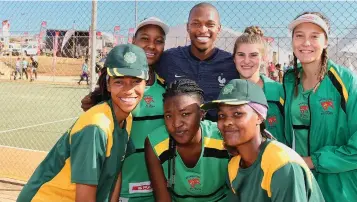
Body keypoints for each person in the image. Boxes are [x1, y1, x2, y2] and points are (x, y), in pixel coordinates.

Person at [17, 44, 148, 202]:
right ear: (108, 84)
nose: (128, 90)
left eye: (136, 81)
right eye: (119, 82)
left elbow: (115, 173)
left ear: (145, 84)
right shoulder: (96, 127)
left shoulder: (126, 118)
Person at [284, 12, 357, 202]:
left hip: (345, 190)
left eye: (314, 36)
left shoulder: (345, 81)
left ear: (326, 41)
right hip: (306, 187)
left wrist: (312, 161)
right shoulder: (288, 80)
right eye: (299, 35)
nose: (306, 42)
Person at [81, 17, 169, 202]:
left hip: (160, 191)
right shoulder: (112, 93)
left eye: (158, 41)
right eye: (145, 38)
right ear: (133, 42)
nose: (151, 45)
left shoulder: (167, 88)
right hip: (120, 191)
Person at [201, 79, 324, 202]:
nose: (227, 122)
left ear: (260, 117)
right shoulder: (234, 167)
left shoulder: (282, 165)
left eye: (238, 114)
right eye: (221, 116)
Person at [145, 79, 231, 202]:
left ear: (202, 113)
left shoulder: (222, 137)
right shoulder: (155, 143)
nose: (176, 124)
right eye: (168, 116)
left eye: (185, 114)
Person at [156, 2, 239, 121]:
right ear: (187, 27)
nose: (203, 30)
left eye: (210, 24)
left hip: (219, 137)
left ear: (218, 29)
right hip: (177, 134)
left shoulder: (231, 64)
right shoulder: (169, 59)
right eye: (196, 23)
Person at [232, 26, 285, 143]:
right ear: (234, 58)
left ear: (264, 58)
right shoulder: (229, 93)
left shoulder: (278, 91)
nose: (246, 61)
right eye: (241, 55)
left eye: (253, 55)